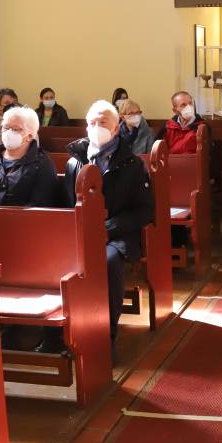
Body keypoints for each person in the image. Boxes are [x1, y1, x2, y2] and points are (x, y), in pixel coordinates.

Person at [64, 101, 153, 344]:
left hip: (117, 235)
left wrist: (108, 227)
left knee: (106, 262)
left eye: (102, 123)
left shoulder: (132, 164)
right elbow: (66, 204)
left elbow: (145, 211)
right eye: (91, 123)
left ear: (116, 129)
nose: (96, 127)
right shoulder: (75, 162)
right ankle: (66, 332)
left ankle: (106, 333)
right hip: (80, 233)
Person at [0, 106, 58, 206]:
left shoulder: (42, 163)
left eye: (16, 129)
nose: (8, 132)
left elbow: (40, 204)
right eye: (6, 127)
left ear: (30, 136)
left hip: (20, 219)